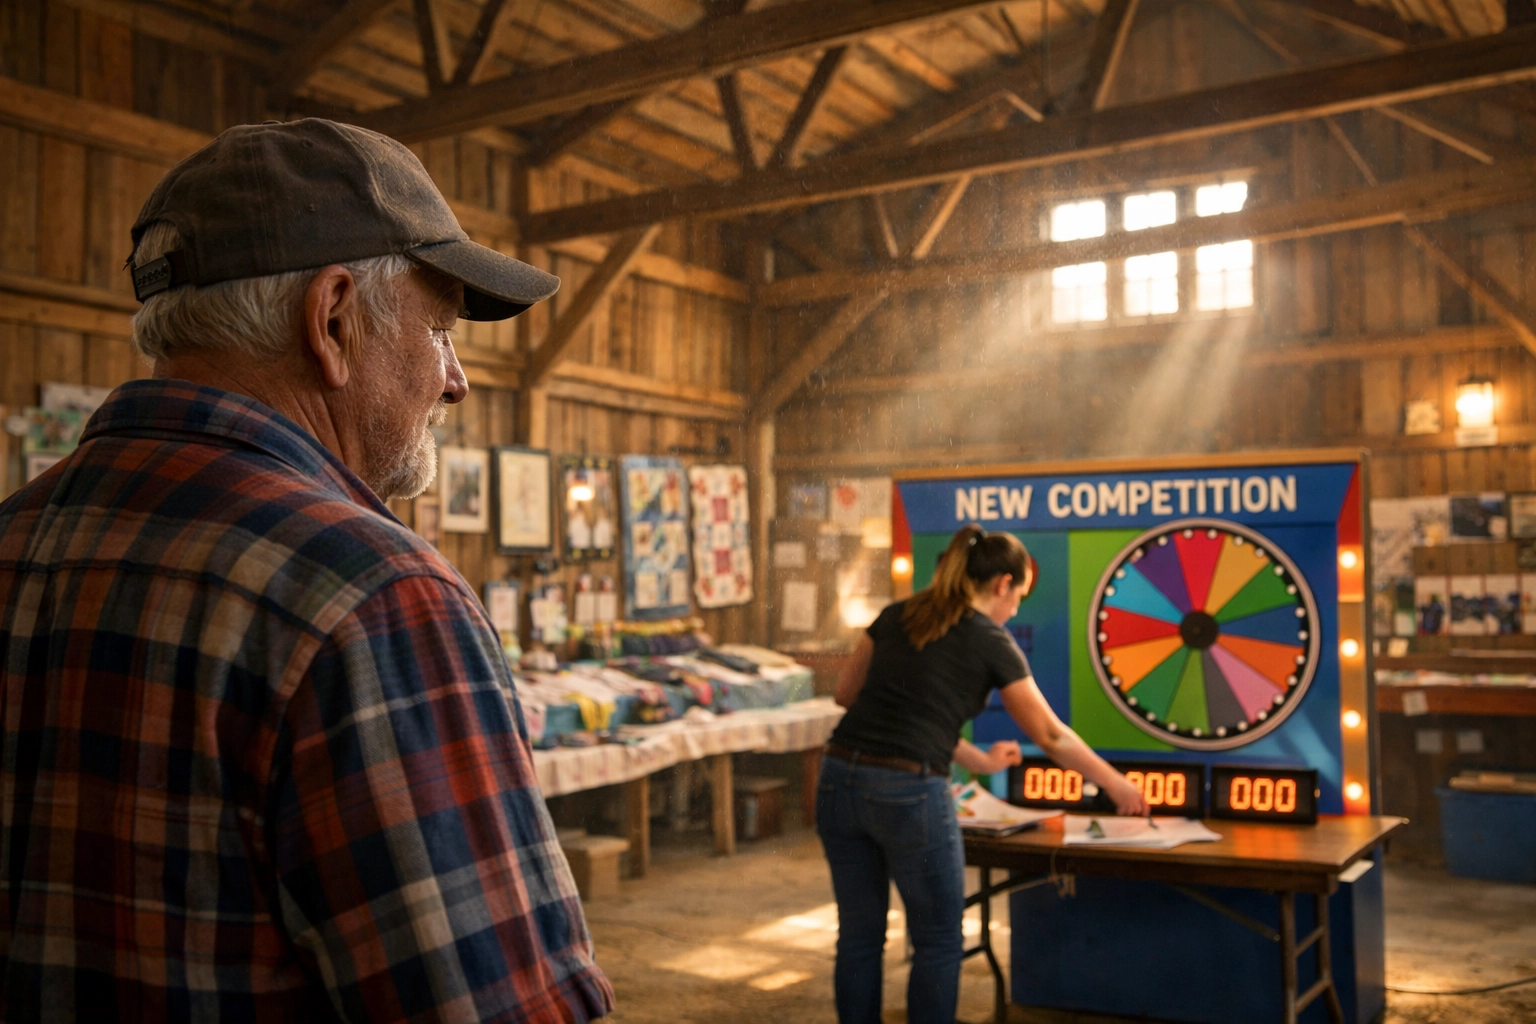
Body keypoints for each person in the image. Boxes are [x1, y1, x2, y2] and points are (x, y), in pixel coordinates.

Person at [0, 119, 613, 1022]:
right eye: (441, 329)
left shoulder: (14, 537)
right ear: (331, 320)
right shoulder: (376, 597)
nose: (456, 381)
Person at [818, 524, 1149, 1024]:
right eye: (1019, 595)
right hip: (909, 792)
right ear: (1002, 584)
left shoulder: (894, 616)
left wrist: (981, 762)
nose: (1016, 607)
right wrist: (1116, 783)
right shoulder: (990, 640)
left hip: (838, 779)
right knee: (938, 939)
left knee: (860, 935)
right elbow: (1051, 736)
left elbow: (848, 695)